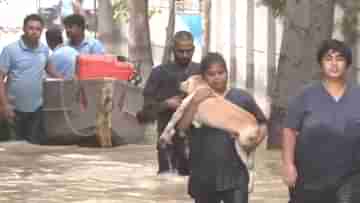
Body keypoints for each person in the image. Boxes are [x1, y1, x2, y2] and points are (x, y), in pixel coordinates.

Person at [177, 52, 267, 203]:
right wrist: (195, 103)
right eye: (211, 74)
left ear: (227, 73)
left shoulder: (242, 98)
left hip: (235, 175)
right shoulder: (193, 98)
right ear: (203, 77)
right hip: (203, 175)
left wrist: (254, 142)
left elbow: (262, 124)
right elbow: (181, 128)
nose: (217, 77)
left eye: (221, 73)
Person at [282, 39, 360, 203]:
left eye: (339, 59)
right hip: (309, 178)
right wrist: (288, 164)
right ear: (320, 63)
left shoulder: (357, 95)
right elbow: (289, 130)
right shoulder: (305, 95)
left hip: (350, 177)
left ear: (347, 64)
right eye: (328, 58)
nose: (334, 64)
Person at [142, 31, 200, 175]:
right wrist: (166, 104)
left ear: (193, 50)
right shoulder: (158, 73)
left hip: (196, 143)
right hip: (167, 142)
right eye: (181, 51)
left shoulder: (201, 72)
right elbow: (145, 113)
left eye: (189, 51)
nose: (185, 55)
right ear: (173, 50)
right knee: (167, 184)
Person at [0, 14, 62, 144]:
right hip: (14, 109)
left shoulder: (44, 50)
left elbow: (50, 70)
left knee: (34, 150)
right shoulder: (10, 50)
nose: (34, 32)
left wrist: (68, 80)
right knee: (14, 149)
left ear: (41, 31)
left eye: (38, 29)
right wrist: (4, 105)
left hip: (37, 110)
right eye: (31, 28)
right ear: (24, 28)